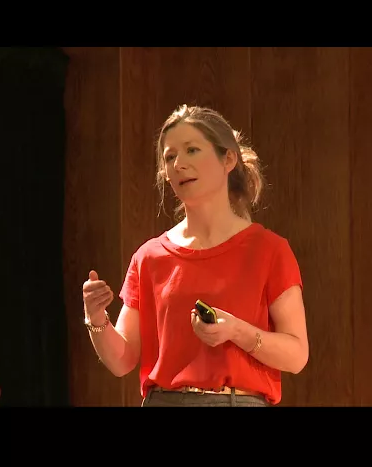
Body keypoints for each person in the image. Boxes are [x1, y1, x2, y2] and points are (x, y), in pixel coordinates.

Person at [82, 104, 309, 407]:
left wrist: (236, 331)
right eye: (170, 157)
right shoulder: (149, 257)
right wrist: (96, 318)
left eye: (192, 150)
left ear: (228, 159)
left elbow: (296, 355)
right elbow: (122, 360)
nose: (179, 164)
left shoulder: (269, 250)